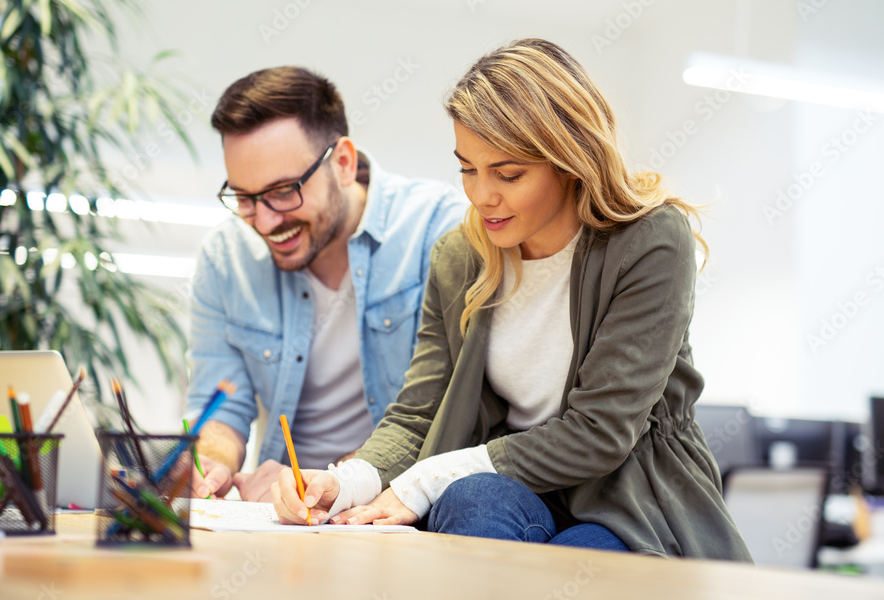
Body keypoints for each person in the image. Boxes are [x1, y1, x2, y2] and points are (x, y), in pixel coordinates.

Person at [272, 39, 753, 561]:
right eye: (467, 169)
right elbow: (420, 412)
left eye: (508, 174)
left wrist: (428, 478)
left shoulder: (650, 241)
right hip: (516, 486)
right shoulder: (459, 257)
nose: (481, 196)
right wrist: (345, 483)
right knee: (472, 499)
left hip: (628, 496)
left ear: (570, 160)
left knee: (579, 562)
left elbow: (600, 433)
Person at [187, 66, 466, 501]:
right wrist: (208, 467)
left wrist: (331, 484)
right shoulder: (225, 260)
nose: (264, 220)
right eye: (244, 197)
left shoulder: (438, 231)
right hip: (282, 515)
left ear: (343, 164)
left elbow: (448, 415)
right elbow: (220, 403)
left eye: (283, 191)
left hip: (401, 506)